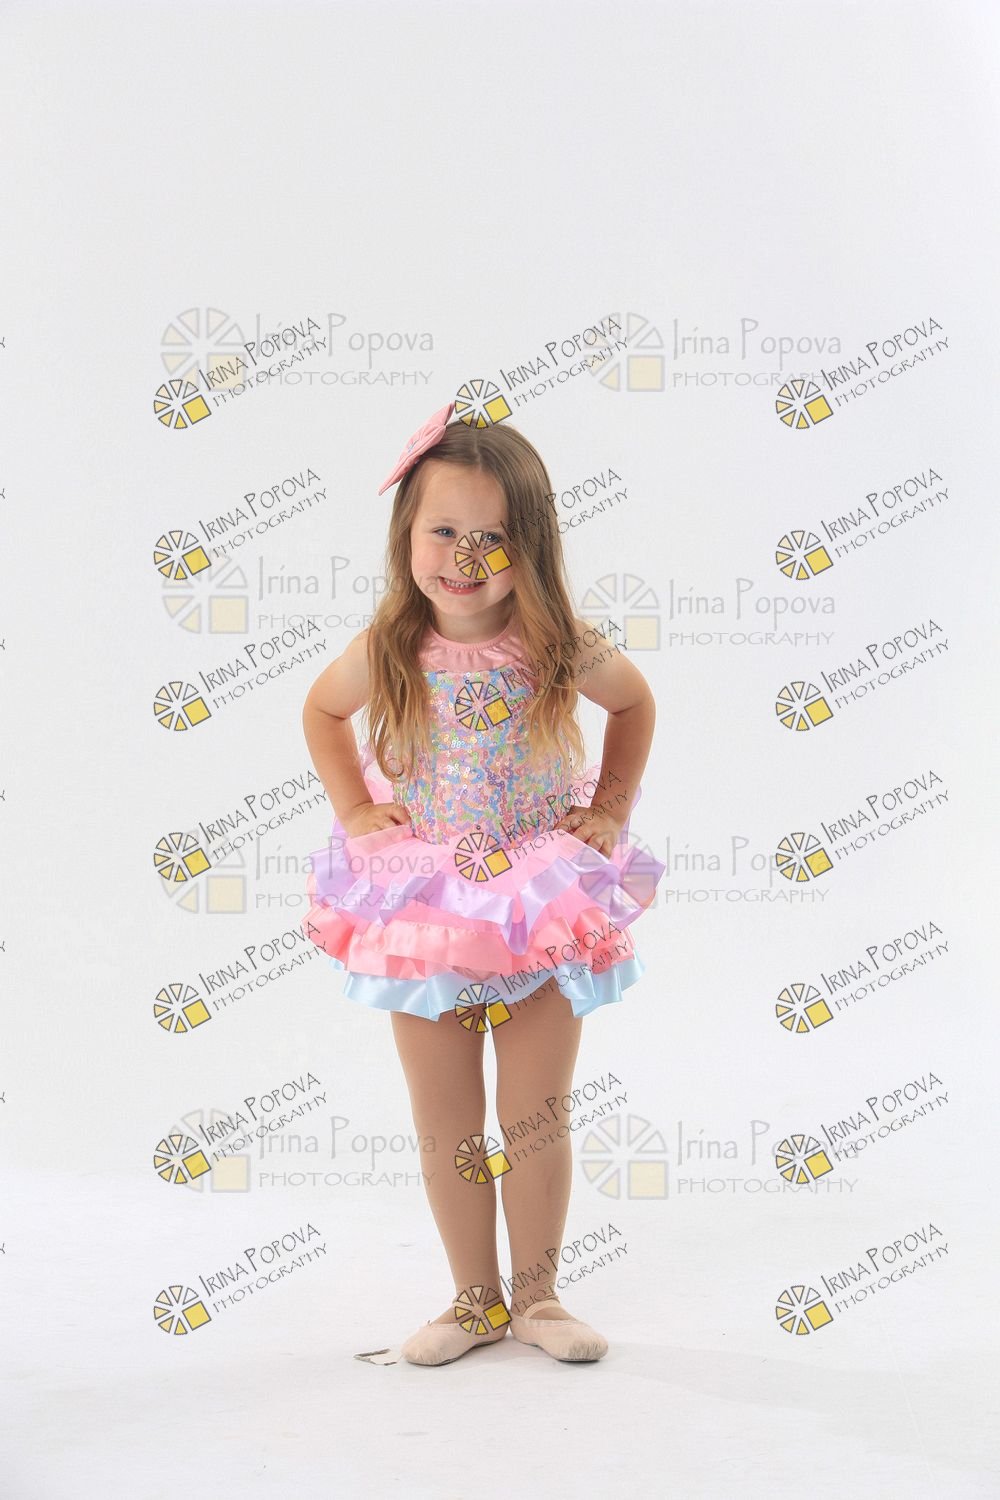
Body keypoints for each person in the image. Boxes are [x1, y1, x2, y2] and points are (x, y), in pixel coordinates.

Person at [300, 399, 663, 1367]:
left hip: (536, 902)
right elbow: (323, 712)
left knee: (534, 1114)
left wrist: (609, 809)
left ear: (530, 545)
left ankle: (539, 1298)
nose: (464, 557)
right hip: (427, 906)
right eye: (443, 531)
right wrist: (355, 808)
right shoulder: (390, 644)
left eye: (492, 537)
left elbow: (632, 703)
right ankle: (473, 1300)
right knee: (447, 1118)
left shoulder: (557, 641)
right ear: (405, 534)